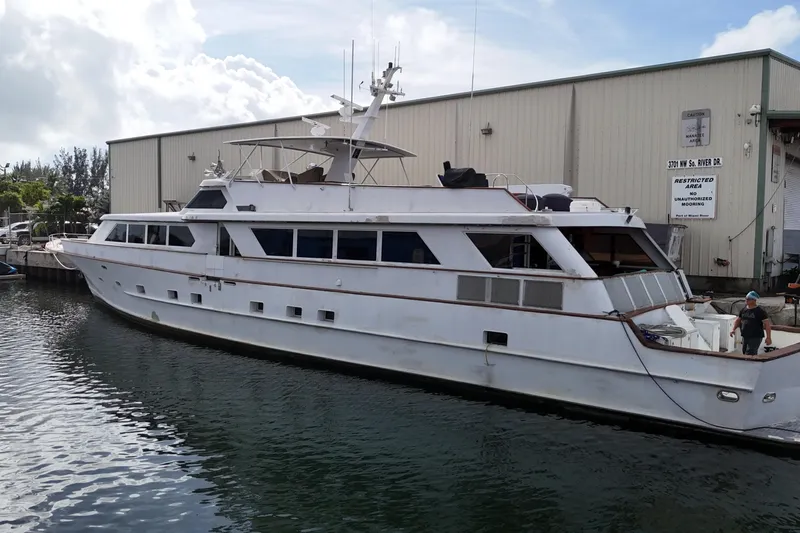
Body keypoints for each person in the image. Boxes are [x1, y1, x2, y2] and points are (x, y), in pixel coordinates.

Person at [730, 291, 772, 355]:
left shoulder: (760, 311)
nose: (746, 300)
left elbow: (767, 324)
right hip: (745, 336)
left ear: (754, 300)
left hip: (755, 337)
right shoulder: (744, 309)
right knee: (744, 352)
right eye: (746, 298)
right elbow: (738, 320)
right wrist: (733, 329)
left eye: (749, 299)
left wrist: (768, 337)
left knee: (750, 354)